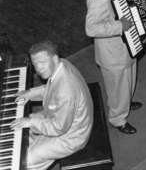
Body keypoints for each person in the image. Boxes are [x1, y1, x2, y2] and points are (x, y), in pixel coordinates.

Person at [10, 40, 93, 170]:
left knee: (26, 160)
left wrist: (31, 122)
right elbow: (52, 89)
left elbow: (58, 128)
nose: (38, 69)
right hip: (61, 117)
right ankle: (30, 144)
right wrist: (30, 93)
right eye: (35, 64)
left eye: (42, 63)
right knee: (20, 126)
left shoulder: (67, 91)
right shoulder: (62, 64)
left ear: (54, 58)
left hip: (71, 136)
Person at [85, 0, 142, 135]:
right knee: (117, 87)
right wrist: (120, 26)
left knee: (128, 79)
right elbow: (91, 28)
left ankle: (125, 102)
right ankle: (118, 119)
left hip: (126, 45)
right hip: (113, 54)